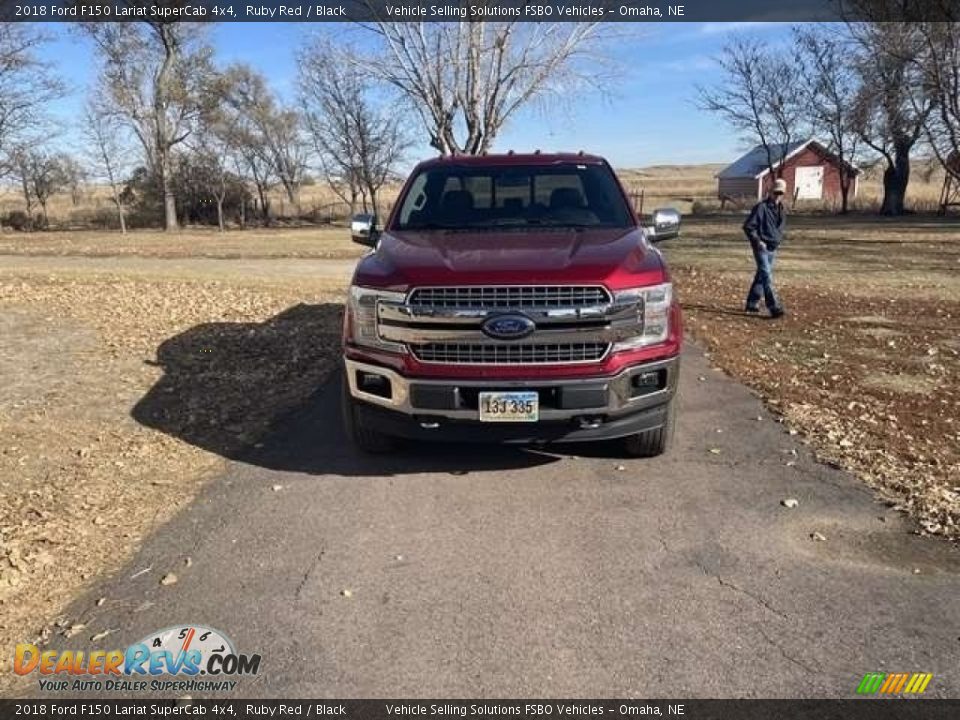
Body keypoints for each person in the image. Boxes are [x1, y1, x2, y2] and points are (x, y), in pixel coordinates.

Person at [743, 178, 787, 318]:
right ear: (770, 192)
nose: (778, 195)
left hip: (773, 247)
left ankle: (751, 303)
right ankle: (773, 306)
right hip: (761, 247)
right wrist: (758, 241)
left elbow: (779, 228)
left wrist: (777, 240)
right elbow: (748, 227)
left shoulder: (782, 209)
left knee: (761, 276)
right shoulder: (761, 207)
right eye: (776, 192)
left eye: (780, 193)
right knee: (767, 276)